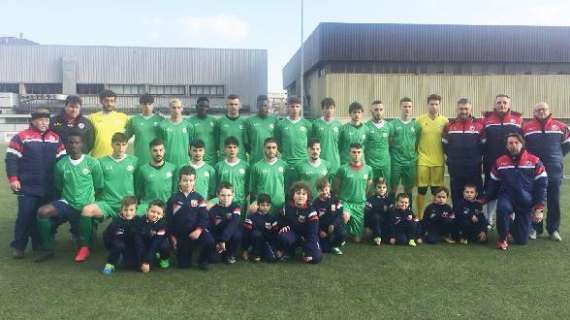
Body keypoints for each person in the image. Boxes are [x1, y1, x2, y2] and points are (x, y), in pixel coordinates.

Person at [6, 108, 66, 258]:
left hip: (49, 187)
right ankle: (19, 247)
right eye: (40, 120)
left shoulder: (55, 138)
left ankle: (39, 244)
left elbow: (63, 162)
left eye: (46, 120)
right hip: (27, 187)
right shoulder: (21, 137)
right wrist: (13, 179)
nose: (44, 123)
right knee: (25, 217)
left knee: (43, 217)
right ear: (32, 121)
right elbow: (11, 159)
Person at [35, 132, 103, 262]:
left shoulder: (92, 163)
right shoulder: (61, 164)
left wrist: (89, 203)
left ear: (82, 144)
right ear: (66, 145)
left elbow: (99, 186)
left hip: (85, 206)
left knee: (90, 243)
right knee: (43, 211)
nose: (73, 145)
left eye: (77, 142)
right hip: (67, 203)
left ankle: (84, 246)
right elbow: (59, 186)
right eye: (71, 143)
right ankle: (48, 249)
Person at [79, 132, 138, 262]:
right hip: (108, 203)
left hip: (128, 205)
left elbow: (138, 183)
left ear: (127, 145)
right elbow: (97, 184)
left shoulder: (134, 161)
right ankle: (84, 247)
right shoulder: (101, 162)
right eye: (118, 144)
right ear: (112, 145)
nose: (121, 148)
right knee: (86, 210)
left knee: (147, 217)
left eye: (124, 145)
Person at [485, 133, 547, 250]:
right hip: (507, 197)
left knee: (521, 240)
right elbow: (493, 183)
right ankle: (502, 238)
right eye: (510, 143)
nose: (513, 145)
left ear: (522, 144)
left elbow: (542, 185)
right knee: (502, 209)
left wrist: (539, 208)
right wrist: (485, 198)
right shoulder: (499, 162)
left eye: (516, 142)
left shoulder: (534, 161)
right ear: (506, 146)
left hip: (525, 200)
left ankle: (509, 224)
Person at [523, 102, 570, 241]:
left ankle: (553, 229)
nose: (541, 112)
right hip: (534, 169)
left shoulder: (561, 126)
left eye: (543, 109)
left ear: (549, 110)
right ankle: (535, 229)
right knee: (535, 199)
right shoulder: (526, 127)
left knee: (553, 199)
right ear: (534, 113)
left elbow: (566, 146)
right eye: (538, 110)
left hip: (554, 168)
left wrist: (556, 157)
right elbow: (522, 147)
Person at [482, 94, 523, 227]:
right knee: (490, 190)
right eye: (499, 102)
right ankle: (489, 219)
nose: (502, 105)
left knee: (512, 189)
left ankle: (512, 219)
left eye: (505, 102)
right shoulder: (486, 120)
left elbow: (522, 142)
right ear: (495, 105)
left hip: (512, 163)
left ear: (509, 105)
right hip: (490, 162)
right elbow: (482, 142)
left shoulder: (517, 120)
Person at [167, 166, 214, 270]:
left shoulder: (199, 198)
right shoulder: (173, 199)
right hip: (182, 234)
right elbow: (169, 220)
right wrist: (172, 237)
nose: (188, 183)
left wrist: (198, 230)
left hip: (197, 231)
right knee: (184, 265)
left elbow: (204, 217)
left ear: (194, 181)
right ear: (179, 181)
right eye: (185, 180)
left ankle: (202, 260)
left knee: (210, 241)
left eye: (191, 180)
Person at [442, 98, 485, 206]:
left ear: (471, 110)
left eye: (466, 109)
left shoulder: (479, 126)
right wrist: (453, 158)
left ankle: (476, 219)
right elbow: (444, 146)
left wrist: (475, 158)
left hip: (473, 167)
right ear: (457, 110)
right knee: (457, 194)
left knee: (475, 194)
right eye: (461, 109)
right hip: (455, 168)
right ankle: (458, 218)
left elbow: (484, 146)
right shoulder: (449, 126)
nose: (464, 111)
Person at [415, 94, 448, 217]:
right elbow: (415, 140)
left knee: (436, 191)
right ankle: (419, 216)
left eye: (436, 104)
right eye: (431, 104)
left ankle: (435, 215)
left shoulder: (445, 121)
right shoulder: (419, 120)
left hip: (438, 161)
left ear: (439, 105)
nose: (434, 106)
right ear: (427, 105)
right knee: (421, 190)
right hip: (422, 160)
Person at [275, 182, 322, 264]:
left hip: (307, 237)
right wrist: (283, 226)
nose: (301, 196)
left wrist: (309, 250)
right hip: (293, 235)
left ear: (308, 197)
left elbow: (313, 233)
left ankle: (304, 251)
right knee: (284, 236)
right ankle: (289, 251)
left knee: (316, 258)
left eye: (304, 194)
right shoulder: (286, 207)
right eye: (298, 193)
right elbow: (279, 222)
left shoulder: (311, 211)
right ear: (293, 195)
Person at [334, 143, 373, 242]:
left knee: (357, 239)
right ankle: (339, 234)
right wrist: (341, 200)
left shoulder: (368, 169)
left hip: (359, 204)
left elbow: (368, 187)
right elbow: (337, 186)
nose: (356, 154)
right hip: (345, 202)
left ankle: (358, 231)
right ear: (349, 153)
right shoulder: (342, 169)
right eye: (354, 152)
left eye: (359, 152)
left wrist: (361, 197)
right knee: (345, 217)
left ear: (362, 153)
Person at [274, 97, 312, 188]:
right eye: (292, 106)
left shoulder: (307, 124)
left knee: (302, 189)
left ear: (301, 108)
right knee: (287, 189)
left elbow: (310, 142)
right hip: (286, 162)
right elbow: (278, 143)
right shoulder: (281, 124)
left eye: (297, 106)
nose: (295, 109)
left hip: (303, 161)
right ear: (288, 108)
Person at [390, 97, 420, 206]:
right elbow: (390, 142)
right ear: (400, 107)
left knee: (409, 189)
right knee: (393, 187)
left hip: (410, 161)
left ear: (412, 108)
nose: (407, 109)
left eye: (409, 106)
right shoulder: (392, 124)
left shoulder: (416, 125)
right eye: (404, 106)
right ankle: (391, 211)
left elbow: (417, 143)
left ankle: (408, 212)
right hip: (396, 161)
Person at [134, 138, 177, 215]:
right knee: (136, 215)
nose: (158, 153)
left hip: (166, 204)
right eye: (155, 150)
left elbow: (175, 190)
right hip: (147, 204)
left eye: (161, 150)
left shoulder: (172, 168)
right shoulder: (142, 169)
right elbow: (139, 191)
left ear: (164, 151)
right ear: (150, 151)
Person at [101, 196, 139, 275]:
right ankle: (110, 264)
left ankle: (126, 257)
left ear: (136, 211)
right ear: (121, 209)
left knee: (132, 265)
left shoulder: (138, 220)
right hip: (119, 243)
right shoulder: (116, 221)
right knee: (118, 245)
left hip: (131, 245)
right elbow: (106, 235)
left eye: (131, 210)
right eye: (125, 210)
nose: (128, 213)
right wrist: (110, 247)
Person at [249, 138, 287, 213]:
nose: (271, 150)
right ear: (264, 148)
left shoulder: (284, 165)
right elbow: (252, 190)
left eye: (274, 147)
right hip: (263, 206)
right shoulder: (256, 166)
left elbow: (287, 187)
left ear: (277, 149)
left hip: (279, 205)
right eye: (268, 147)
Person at [124, 93, 163, 165]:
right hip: (140, 158)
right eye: (144, 104)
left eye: (150, 104)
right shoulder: (134, 120)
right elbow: (124, 139)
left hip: (157, 159)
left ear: (153, 105)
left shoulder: (160, 120)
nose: (147, 106)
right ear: (140, 105)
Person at [209, 183, 242, 264]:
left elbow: (234, 224)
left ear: (233, 195)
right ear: (218, 195)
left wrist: (223, 240)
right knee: (214, 260)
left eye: (229, 195)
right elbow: (212, 228)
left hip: (229, 237)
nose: (226, 198)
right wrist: (216, 243)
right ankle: (221, 251)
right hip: (219, 238)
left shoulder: (236, 207)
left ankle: (231, 254)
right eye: (223, 195)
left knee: (237, 233)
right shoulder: (213, 210)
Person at [89, 90, 129, 158]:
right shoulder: (92, 118)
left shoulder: (123, 117)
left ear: (115, 102)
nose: (109, 103)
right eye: (106, 101)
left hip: (117, 158)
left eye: (112, 101)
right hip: (98, 158)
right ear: (101, 101)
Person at [134, 199, 170, 273]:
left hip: (158, 242)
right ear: (147, 210)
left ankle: (164, 258)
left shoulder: (163, 224)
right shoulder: (140, 221)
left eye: (158, 213)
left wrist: (147, 261)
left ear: (163, 215)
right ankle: (150, 256)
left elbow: (155, 244)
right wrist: (143, 261)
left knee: (164, 246)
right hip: (145, 242)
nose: (155, 215)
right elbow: (139, 242)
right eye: (152, 212)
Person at [214, 137, 249, 214]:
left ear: (238, 149)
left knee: (238, 225)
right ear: (225, 149)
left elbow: (247, 186)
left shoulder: (245, 166)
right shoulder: (218, 166)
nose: (232, 150)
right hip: (223, 202)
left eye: (234, 147)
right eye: (229, 147)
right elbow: (216, 186)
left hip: (240, 203)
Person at [313, 177, 346, 255]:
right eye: (322, 190)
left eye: (326, 189)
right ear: (318, 190)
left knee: (342, 233)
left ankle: (335, 245)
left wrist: (333, 225)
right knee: (325, 249)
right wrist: (320, 231)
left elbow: (339, 215)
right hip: (322, 228)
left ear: (329, 188)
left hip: (334, 225)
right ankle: (329, 243)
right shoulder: (315, 203)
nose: (325, 192)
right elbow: (314, 220)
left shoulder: (335, 199)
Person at [158, 98, 194, 167]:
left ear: (182, 109)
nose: (176, 110)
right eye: (173, 108)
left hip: (184, 162)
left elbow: (191, 144)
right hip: (167, 163)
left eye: (178, 107)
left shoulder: (188, 126)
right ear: (170, 109)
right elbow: (159, 146)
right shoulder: (162, 125)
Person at [242, 193, 278, 262]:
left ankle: (265, 252)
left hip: (267, 243)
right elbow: (246, 234)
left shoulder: (272, 218)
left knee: (271, 259)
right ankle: (255, 254)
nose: (265, 207)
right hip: (255, 241)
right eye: (263, 205)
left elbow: (275, 234)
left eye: (267, 205)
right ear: (258, 205)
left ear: (270, 206)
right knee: (257, 234)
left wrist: (275, 249)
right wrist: (245, 250)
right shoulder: (251, 217)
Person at [364, 100, 393, 184]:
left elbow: (391, 143)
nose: (379, 112)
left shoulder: (389, 126)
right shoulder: (366, 127)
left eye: (381, 109)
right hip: (371, 164)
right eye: (376, 110)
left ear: (384, 110)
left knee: (385, 189)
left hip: (385, 164)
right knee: (370, 189)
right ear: (371, 111)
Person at [311, 97, 342, 174]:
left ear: (334, 109)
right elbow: (311, 143)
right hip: (320, 161)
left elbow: (341, 144)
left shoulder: (339, 125)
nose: (329, 111)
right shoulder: (316, 124)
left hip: (334, 161)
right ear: (322, 109)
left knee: (335, 184)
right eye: (326, 108)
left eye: (331, 108)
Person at [245, 95, 277, 165]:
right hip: (255, 160)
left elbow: (278, 140)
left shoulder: (274, 120)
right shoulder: (249, 121)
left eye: (265, 105)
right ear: (257, 106)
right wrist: (254, 153)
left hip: (271, 160)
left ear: (268, 106)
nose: (263, 108)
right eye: (261, 106)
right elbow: (246, 143)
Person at [215, 94, 247, 160]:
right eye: (231, 104)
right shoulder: (219, 122)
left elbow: (247, 143)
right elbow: (216, 142)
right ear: (226, 105)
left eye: (236, 104)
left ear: (239, 106)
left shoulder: (245, 122)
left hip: (241, 159)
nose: (233, 107)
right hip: (224, 159)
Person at [187, 97, 217, 166]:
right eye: (201, 106)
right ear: (196, 107)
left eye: (206, 106)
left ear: (208, 108)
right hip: (196, 160)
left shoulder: (214, 121)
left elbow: (217, 140)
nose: (203, 108)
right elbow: (188, 142)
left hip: (212, 160)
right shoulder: (189, 122)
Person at [364, 177, 391, 246]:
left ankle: (384, 235)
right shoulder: (371, 199)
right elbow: (367, 213)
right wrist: (381, 208)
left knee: (387, 239)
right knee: (376, 216)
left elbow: (391, 212)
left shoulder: (389, 199)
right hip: (374, 223)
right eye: (379, 187)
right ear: (375, 188)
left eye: (384, 187)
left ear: (386, 188)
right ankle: (377, 236)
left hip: (385, 223)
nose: (382, 189)